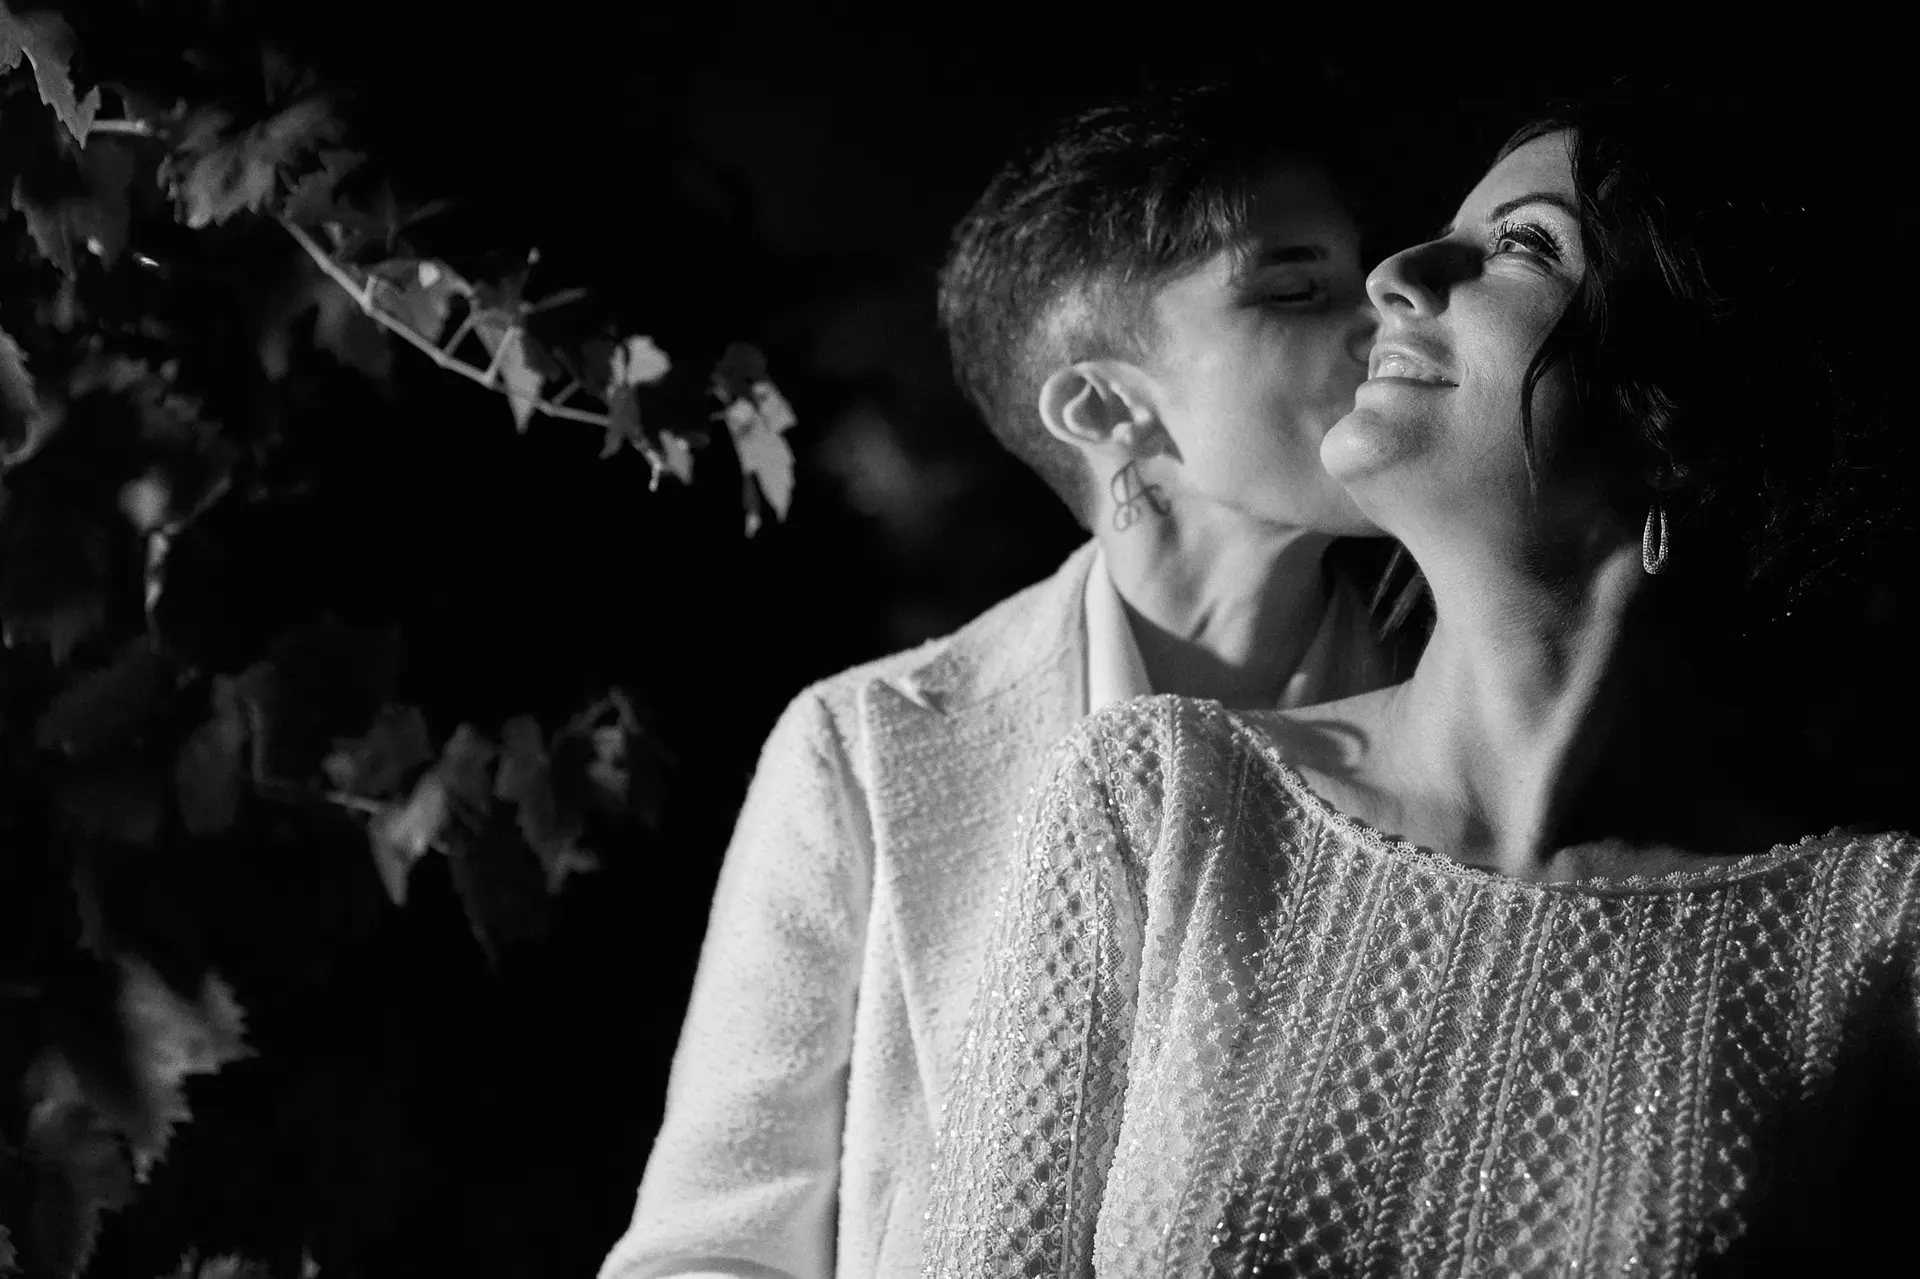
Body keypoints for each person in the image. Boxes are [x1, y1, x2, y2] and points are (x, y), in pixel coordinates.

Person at [922, 91, 1920, 1277]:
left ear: (1681, 430)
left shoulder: (1874, 935)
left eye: (1526, 246)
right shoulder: (1166, 796)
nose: (1396, 271)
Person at [598, 79, 1408, 1279]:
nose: (1382, 321)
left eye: (1360, 269)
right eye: (1296, 286)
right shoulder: (863, 748)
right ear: (1103, 406)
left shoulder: (1463, 727)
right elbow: (707, 1250)